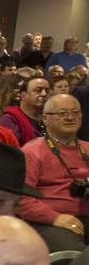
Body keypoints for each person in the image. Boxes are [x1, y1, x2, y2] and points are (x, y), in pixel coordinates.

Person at [18, 92, 88, 251]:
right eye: (62, 113)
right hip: (51, 222)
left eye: (75, 112)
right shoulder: (31, 152)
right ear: (45, 119)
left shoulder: (87, 148)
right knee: (78, 261)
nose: (70, 117)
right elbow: (21, 199)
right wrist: (55, 218)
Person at [0, 75, 51, 146]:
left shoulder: (51, 116)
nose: (44, 94)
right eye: (38, 90)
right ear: (23, 95)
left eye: (47, 91)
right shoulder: (9, 120)